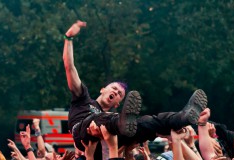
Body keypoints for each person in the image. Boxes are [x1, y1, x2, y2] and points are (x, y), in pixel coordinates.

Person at [63, 20, 208, 152]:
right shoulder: (83, 99)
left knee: (146, 123)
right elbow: (69, 67)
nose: (116, 92)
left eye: (120, 94)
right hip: (83, 135)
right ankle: (121, 125)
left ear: (117, 103)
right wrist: (68, 38)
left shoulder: (120, 118)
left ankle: (182, 118)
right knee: (105, 119)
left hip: (108, 143)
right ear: (103, 89)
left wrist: (163, 130)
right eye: (114, 88)